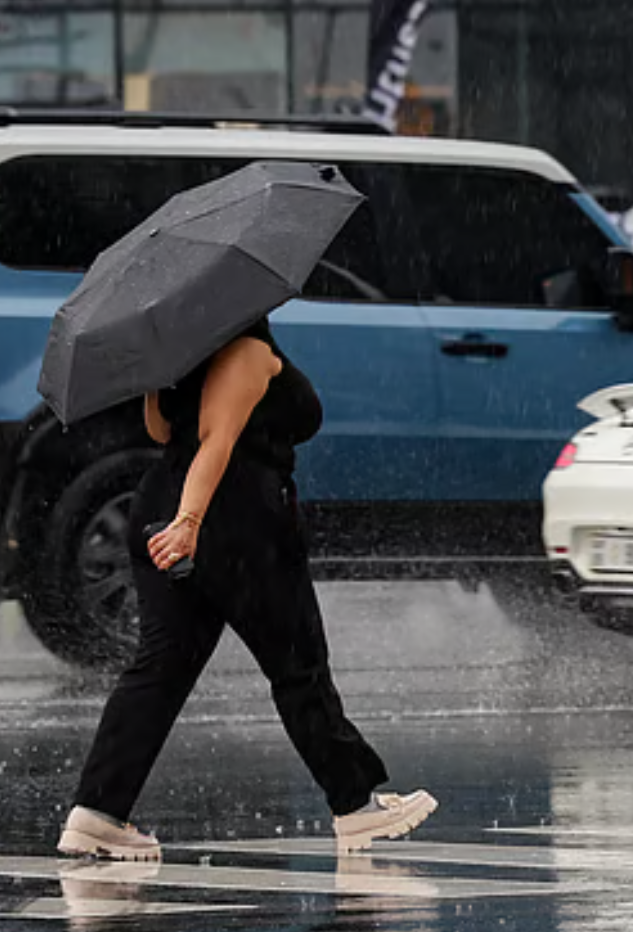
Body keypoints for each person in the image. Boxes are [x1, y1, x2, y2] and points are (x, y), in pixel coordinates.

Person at [57, 316, 437, 861]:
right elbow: (217, 438)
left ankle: (96, 812)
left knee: (161, 667)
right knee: (296, 664)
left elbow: (165, 433)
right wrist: (190, 523)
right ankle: (355, 805)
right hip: (234, 517)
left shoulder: (178, 356)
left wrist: (155, 385)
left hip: (160, 500)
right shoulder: (246, 349)